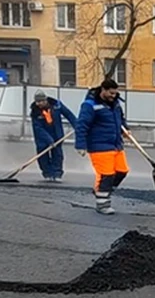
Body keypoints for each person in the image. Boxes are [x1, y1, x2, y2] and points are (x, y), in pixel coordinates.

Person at [74, 78, 129, 215]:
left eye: (115, 93)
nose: (113, 96)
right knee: (107, 175)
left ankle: (100, 190)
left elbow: (120, 119)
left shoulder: (115, 104)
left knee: (122, 171)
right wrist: (80, 145)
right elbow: (82, 125)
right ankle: (102, 204)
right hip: (99, 146)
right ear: (103, 90)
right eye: (111, 93)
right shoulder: (90, 105)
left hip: (116, 144)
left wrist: (125, 129)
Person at [29, 89, 77, 183]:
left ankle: (57, 173)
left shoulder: (57, 105)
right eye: (37, 102)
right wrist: (49, 140)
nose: (39, 104)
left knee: (57, 155)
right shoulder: (35, 112)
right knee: (43, 155)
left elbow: (69, 114)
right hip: (42, 137)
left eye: (41, 101)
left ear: (45, 100)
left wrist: (77, 125)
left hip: (57, 134)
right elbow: (38, 129)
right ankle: (47, 174)